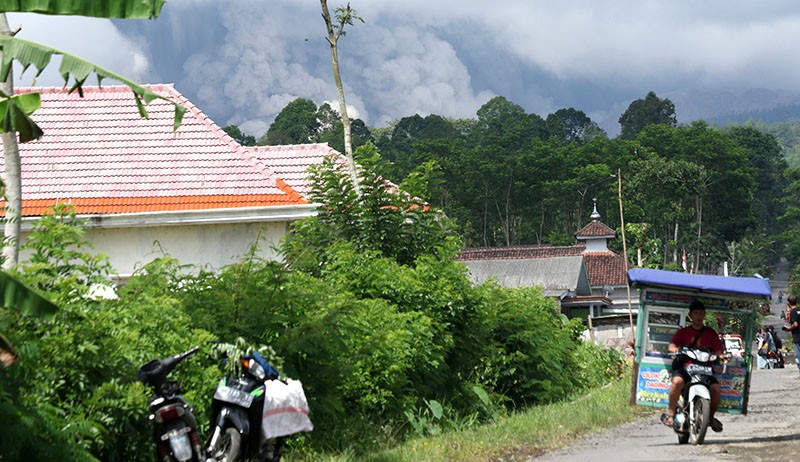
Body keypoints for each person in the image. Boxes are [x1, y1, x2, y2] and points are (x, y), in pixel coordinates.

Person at [661, 301, 725, 432]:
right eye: (696, 313)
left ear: (704, 315)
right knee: (676, 382)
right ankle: (671, 414)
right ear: (690, 315)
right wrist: (674, 350)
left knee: (716, 389)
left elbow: (719, 350)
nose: (699, 316)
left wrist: (720, 356)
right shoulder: (683, 332)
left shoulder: (711, 333)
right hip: (686, 368)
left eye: (701, 313)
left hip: (705, 370)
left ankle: (710, 418)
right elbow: (672, 345)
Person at [782, 295, 800, 376]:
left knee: (798, 356)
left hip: (797, 337)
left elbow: (795, 324)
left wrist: (789, 328)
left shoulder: (792, 312)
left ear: (788, 303)